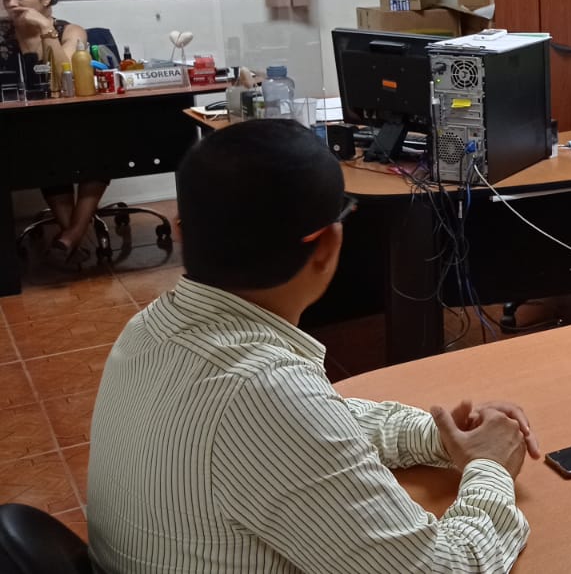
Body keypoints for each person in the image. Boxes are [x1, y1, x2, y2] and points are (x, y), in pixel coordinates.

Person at [88, 119, 537, 572]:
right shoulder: (264, 392)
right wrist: (490, 468)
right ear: (327, 245)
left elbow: (319, 428)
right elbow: (443, 568)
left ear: (182, 232)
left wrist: (436, 436)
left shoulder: (146, 330)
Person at [0, 0, 107, 262]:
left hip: (71, 121)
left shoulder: (70, 31)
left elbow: (63, 76)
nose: (11, 4)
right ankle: (72, 235)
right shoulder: (2, 34)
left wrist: (46, 31)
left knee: (100, 146)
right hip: (18, 126)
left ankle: (71, 236)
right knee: (44, 150)